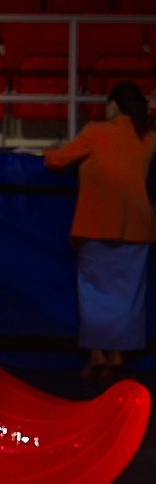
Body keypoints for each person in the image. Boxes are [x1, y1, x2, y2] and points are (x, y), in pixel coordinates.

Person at [45, 81, 156, 380]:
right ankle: (117, 353)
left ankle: (96, 353)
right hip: (137, 228)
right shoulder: (149, 137)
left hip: (96, 226)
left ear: (114, 105)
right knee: (128, 297)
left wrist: (49, 151)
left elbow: (58, 160)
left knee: (93, 293)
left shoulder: (96, 132)